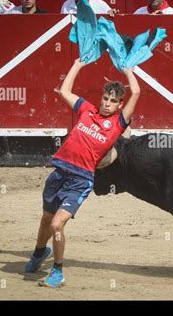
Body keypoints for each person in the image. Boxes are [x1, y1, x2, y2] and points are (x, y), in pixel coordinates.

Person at [24, 60, 141, 288]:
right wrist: (78, 65)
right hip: (58, 174)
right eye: (106, 98)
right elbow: (64, 91)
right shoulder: (87, 109)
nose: (108, 104)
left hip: (80, 181)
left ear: (120, 105)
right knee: (46, 220)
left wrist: (126, 68)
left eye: (113, 101)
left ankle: (57, 272)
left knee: (57, 225)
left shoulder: (118, 123)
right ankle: (39, 253)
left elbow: (136, 91)